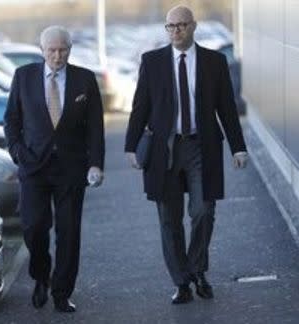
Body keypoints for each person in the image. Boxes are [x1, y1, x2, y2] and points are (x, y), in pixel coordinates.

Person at [125, 5, 248, 304]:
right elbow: (140, 105)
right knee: (169, 218)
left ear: (193, 26)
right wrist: (131, 146)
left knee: (204, 210)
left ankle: (196, 269)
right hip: (163, 149)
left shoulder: (213, 61)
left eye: (181, 25)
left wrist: (238, 147)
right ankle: (182, 282)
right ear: (166, 30)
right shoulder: (152, 62)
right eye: (171, 26)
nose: (176, 30)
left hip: (201, 146)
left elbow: (227, 108)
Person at [4, 25, 105, 312]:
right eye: (52, 50)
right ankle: (40, 276)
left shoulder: (84, 80)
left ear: (70, 51)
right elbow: (11, 120)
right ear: (42, 51)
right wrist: (17, 153)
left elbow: (95, 127)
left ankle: (62, 293)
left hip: (72, 169)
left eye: (63, 50)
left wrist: (96, 163)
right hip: (33, 168)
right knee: (33, 228)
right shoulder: (23, 77)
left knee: (69, 233)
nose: (57, 56)